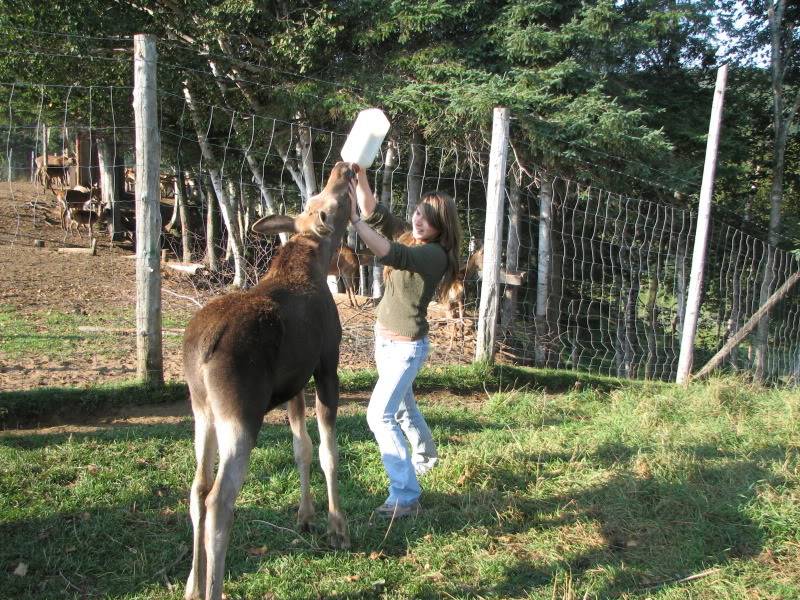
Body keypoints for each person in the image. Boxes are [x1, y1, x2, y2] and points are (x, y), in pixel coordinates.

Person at [348, 165, 462, 518]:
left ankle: (405, 496)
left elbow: (389, 253)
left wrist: (355, 223)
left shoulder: (433, 255)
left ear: (441, 227)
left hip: (406, 348)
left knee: (379, 416)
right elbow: (374, 212)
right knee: (403, 409)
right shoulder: (411, 237)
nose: (418, 221)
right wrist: (361, 175)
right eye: (417, 213)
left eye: (427, 219)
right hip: (385, 340)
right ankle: (426, 458)